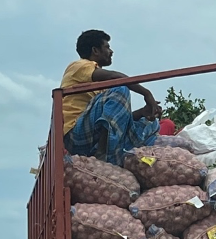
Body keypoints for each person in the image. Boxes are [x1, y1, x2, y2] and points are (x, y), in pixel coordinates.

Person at [61, 29, 162, 165]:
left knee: (152, 123)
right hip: (75, 136)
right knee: (120, 88)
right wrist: (146, 93)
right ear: (95, 50)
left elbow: (113, 120)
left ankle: (122, 156)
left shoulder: (104, 89)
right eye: (107, 47)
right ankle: (104, 156)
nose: (111, 51)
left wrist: (142, 113)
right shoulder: (79, 66)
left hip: (93, 138)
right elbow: (115, 77)